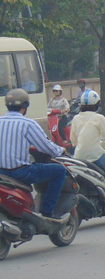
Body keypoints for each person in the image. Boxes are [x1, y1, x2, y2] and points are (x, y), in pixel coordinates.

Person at [0, 89, 67, 221]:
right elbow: (46, 146)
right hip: (21, 172)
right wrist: (61, 150)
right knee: (59, 171)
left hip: (1, 173)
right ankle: (47, 212)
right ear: (25, 106)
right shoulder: (28, 124)